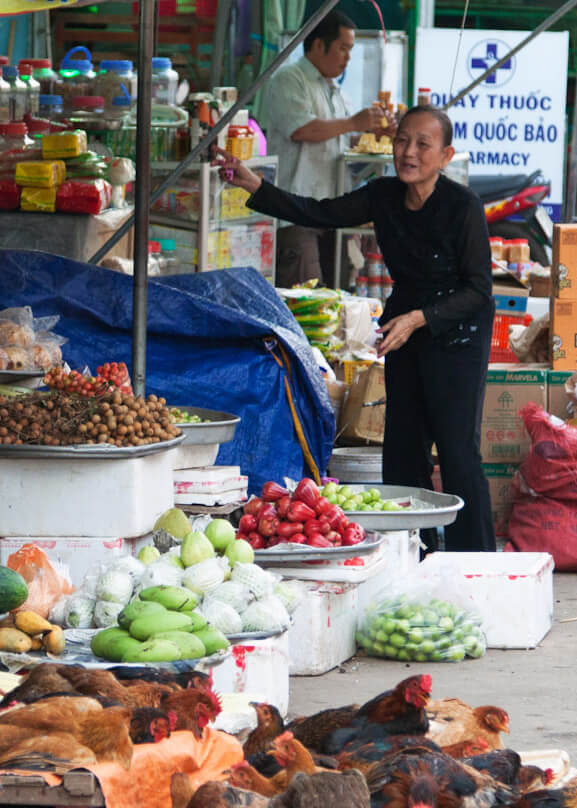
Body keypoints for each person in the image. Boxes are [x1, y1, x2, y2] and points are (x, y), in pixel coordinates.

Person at [219, 104, 495, 553]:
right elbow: (318, 213)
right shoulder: (383, 194)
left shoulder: (463, 207)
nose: (408, 152)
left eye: (423, 144)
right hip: (403, 325)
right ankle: (412, 550)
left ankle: (477, 559)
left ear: (446, 156)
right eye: (402, 140)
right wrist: (257, 186)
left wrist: (421, 318)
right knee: (403, 449)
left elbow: (480, 290)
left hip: (457, 332)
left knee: (458, 451)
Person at [256, 11, 391, 287]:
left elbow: (340, 140)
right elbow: (302, 129)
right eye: (343, 48)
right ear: (318, 44)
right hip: (297, 212)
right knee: (306, 300)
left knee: (334, 301)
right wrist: (354, 123)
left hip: (333, 212)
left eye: (350, 50)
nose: (347, 58)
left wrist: (372, 136)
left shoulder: (335, 91)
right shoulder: (289, 79)